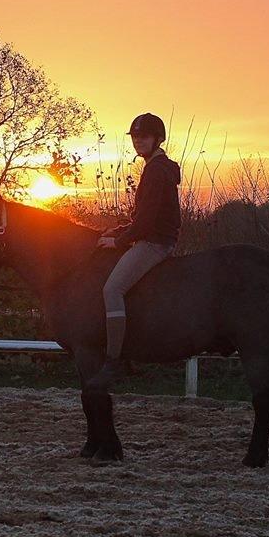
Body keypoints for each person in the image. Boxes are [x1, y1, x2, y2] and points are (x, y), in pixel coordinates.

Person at [86, 112, 182, 391]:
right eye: (136, 137)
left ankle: (113, 362)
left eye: (144, 137)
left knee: (111, 290)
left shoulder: (155, 171)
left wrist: (118, 242)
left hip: (154, 243)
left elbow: (146, 223)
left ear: (158, 139)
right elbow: (144, 217)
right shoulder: (158, 167)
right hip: (154, 236)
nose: (139, 141)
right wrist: (118, 230)